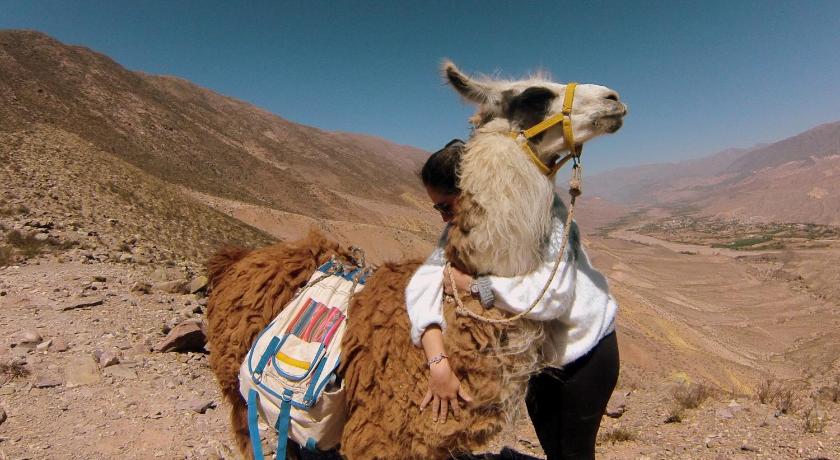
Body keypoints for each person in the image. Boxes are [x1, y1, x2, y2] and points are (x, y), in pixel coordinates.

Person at [406, 139, 620, 460]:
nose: (444, 219)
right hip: (539, 362)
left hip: (586, 355)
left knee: (575, 453)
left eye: (446, 207)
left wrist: (476, 286)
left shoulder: (544, 216)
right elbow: (423, 284)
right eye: (438, 209)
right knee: (555, 451)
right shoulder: (462, 229)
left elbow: (549, 297)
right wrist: (438, 365)